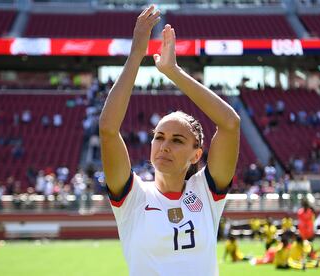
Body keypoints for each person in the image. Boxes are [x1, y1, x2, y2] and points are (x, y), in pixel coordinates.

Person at [99, 6, 240, 276]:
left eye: (177, 140)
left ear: (196, 155)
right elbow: (108, 129)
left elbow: (230, 124)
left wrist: (172, 71)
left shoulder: (206, 193)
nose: (164, 145)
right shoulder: (133, 197)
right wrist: (136, 56)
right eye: (159, 137)